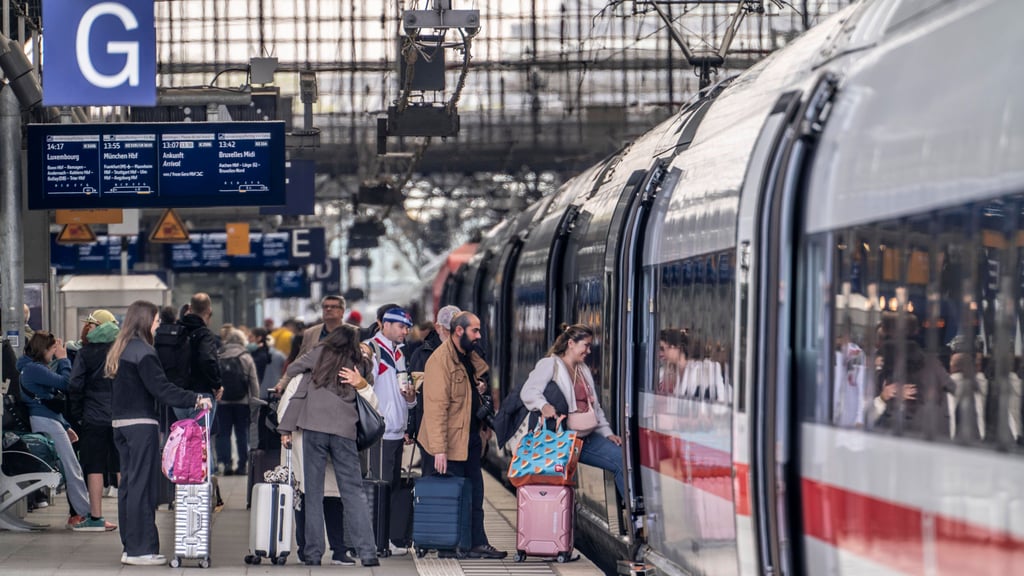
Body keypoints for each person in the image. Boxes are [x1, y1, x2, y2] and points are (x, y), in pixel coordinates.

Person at [106, 300, 212, 566]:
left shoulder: (121, 349)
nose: (158, 325)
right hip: (141, 425)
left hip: (120, 424)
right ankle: (141, 549)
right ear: (144, 321)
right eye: (155, 321)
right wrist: (195, 399)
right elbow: (162, 389)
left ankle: (130, 546)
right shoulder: (144, 352)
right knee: (142, 487)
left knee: (128, 486)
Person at [277, 325, 380, 567]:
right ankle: (368, 553)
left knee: (313, 493)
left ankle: (313, 554)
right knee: (353, 492)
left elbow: (292, 369)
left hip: (314, 429)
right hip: (344, 431)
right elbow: (369, 374)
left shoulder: (319, 353)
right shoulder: (358, 361)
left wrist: (312, 366)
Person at [420, 311, 507, 560]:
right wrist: (439, 449)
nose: (479, 336)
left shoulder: (468, 357)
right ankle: (450, 544)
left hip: (469, 437)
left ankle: (476, 543)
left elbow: (471, 388)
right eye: (475, 331)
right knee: (453, 495)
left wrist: (478, 387)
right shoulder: (440, 361)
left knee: (474, 493)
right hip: (450, 441)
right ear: (459, 331)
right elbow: (436, 408)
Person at [520, 324, 625, 499]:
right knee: (618, 461)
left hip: (586, 437)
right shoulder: (550, 364)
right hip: (565, 439)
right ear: (571, 343)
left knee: (621, 458)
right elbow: (528, 391)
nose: (589, 351)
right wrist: (543, 406)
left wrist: (607, 433)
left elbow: (595, 407)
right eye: (586, 345)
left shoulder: (582, 369)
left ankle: (631, 511)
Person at [17, 331, 94, 530]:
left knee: (71, 466)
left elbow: (47, 401)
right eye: (52, 350)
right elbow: (67, 383)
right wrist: (63, 359)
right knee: (72, 467)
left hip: (47, 420)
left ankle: (80, 513)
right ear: (43, 349)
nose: (54, 353)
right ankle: (83, 515)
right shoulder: (34, 369)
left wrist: (65, 426)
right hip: (46, 421)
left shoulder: (29, 368)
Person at [363, 307, 417, 556]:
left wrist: (411, 400)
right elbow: (364, 389)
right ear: (385, 325)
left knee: (392, 486)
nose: (405, 331)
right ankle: (377, 540)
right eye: (401, 327)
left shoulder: (399, 353)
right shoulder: (372, 351)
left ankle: (388, 538)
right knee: (380, 487)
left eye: (407, 328)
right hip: (381, 432)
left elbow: (401, 394)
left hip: (396, 430)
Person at [67, 310, 121, 531]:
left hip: (93, 417)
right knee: (121, 465)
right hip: (120, 417)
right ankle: (130, 514)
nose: (88, 327)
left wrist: (78, 413)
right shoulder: (121, 351)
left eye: (91, 324)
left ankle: (96, 517)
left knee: (95, 467)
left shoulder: (85, 353)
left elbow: (75, 385)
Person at [408, 305, 460, 468]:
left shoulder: (470, 351)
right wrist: (411, 428)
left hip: (462, 433)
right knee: (434, 474)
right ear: (438, 328)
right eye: (449, 330)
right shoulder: (423, 353)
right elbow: (415, 393)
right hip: (430, 431)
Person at [215, 328, 261, 475]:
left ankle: (226, 464)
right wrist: (255, 401)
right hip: (242, 402)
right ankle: (242, 465)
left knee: (224, 433)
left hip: (223, 402)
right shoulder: (246, 357)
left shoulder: (219, 355)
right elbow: (253, 382)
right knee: (242, 433)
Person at [174, 293, 223, 419]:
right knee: (200, 432)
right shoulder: (205, 334)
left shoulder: (177, 332)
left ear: (190, 308)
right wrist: (217, 385)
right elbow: (207, 359)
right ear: (209, 310)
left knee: (182, 431)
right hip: (202, 394)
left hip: (178, 395)